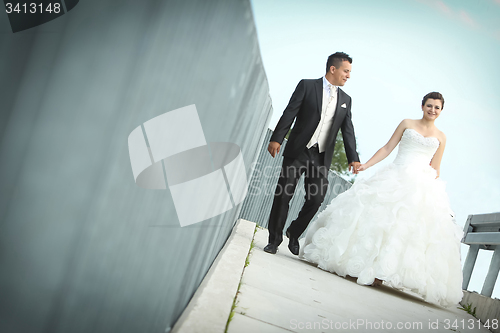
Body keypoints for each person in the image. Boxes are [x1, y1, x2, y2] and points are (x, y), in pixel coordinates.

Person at [300, 92, 463, 307]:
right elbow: (387, 148)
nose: (433, 110)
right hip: (395, 175)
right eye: (429, 106)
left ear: (441, 111)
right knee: (376, 221)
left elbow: (436, 167)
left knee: (403, 229)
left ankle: (381, 273)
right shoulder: (407, 123)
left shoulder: (441, 137)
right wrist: (365, 165)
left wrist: (438, 197)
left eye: (437, 108)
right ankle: (363, 266)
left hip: (420, 185)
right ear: (422, 106)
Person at [264, 52, 361, 255]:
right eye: (346, 71)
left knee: (316, 199)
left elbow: (348, 129)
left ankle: (294, 231)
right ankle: (274, 240)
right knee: (283, 195)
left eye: (350, 72)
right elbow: (290, 111)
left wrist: (353, 158)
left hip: (321, 156)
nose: (348, 76)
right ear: (333, 69)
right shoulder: (307, 86)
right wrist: (277, 138)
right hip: (298, 151)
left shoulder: (346, 100)